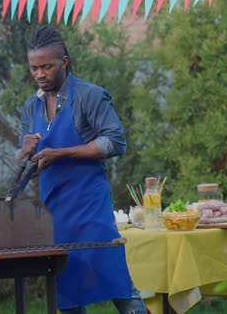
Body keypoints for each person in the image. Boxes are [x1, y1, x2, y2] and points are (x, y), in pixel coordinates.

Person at [16, 26, 147, 314]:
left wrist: (62, 153)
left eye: (47, 66)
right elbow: (30, 170)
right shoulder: (31, 107)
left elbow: (115, 142)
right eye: (34, 68)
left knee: (121, 288)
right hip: (56, 215)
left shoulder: (90, 96)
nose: (40, 74)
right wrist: (24, 155)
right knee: (68, 297)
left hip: (91, 210)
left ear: (64, 61)